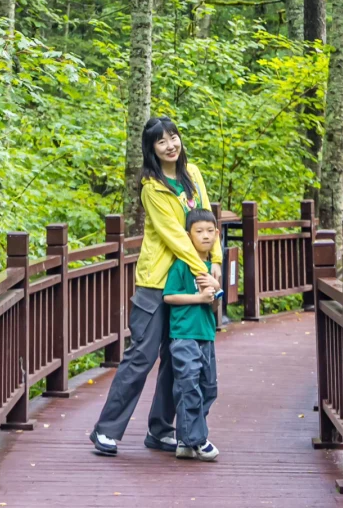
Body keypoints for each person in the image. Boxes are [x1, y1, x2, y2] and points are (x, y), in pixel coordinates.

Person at [89, 116, 222, 456]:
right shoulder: (152, 187)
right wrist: (203, 271)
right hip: (157, 280)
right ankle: (106, 430)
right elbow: (176, 237)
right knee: (142, 355)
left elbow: (207, 220)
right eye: (161, 141)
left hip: (191, 276)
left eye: (173, 137)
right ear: (151, 149)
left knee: (176, 356)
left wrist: (216, 265)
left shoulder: (193, 175)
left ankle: (161, 430)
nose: (170, 145)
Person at [163, 208, 220, 461]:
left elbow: (214, 305)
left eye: (210, 231)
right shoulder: (182, 265)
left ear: (217, 234)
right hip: (184, 333)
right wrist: (198, 297)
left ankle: (185, 440)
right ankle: (198, 439)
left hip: (206, 334)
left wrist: (214, 293)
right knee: (188, 385)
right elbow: (169, 296)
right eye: (199, 231)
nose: (205, 236)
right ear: (189, 235)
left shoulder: (212, 269)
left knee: (209, 387)